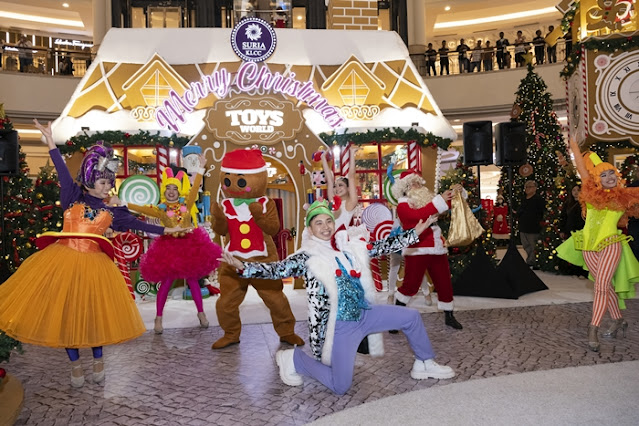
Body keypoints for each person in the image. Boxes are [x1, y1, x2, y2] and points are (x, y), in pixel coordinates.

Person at [0, 119, 185, 388]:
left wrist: (169, 231)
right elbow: (63, 172)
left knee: (92, 316)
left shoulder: (114, 211)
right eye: (101, 180)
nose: (105, 186)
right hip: (60, 263)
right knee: (66, 318)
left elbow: (139, 224)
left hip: (94, 268)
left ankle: (98, 360)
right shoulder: (71, 197)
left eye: (108, 181)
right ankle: (75, 365)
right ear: (88, 179)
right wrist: (51, 142)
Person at [220, 200, 455, 394]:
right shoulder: (306, 257)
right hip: (340, 326)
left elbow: (383, 246)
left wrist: (415, 232)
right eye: (318, 223)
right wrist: (244, 267)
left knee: (411, 317)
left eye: (328, 221)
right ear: (310, 229)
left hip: (366, 314)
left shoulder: (350, 246)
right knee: (340, 386)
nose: (325, 226)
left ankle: (424, 363)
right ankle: (294, 359)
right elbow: (276, 270)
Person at [557, 139, 639, 352]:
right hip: (588, 248)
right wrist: (574, 144)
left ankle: (592, 328)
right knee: (606, 286)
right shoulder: (590, 192)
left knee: (601, 286)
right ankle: (619, 319)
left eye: (612, 173)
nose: (609, 177)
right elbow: (582, 167)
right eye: (603, 174)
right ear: (596, 178)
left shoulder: (624, 197)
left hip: (611, 244)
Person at [126, 160, 222, 334]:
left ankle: (201, 313)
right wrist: (125, 204)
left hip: (189, 246)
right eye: (168, 188)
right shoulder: (161, 209)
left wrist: (201, 168)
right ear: (165, 191)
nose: (171, 192)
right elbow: (142, 209)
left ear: (179, 190)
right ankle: (158, 317)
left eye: (175, 189)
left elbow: (194, 189)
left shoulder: (187, 204)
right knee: (167, 282)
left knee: (193, 280)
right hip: (169, 248)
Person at [391, 170, 464, 329]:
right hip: (417, 248)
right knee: (411, 284)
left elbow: (443, 205)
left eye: (418, 182)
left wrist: (455, 193)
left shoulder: (428, 201)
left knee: (444, 281)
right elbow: (418, 216)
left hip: (436, 247)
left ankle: (449, 315)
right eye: (413, 183)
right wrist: (439, 201)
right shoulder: (403, 204)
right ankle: (396, 318)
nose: (418, 186)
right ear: (406, 187)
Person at [323, 144, 360, 229]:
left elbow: (351, 176)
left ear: (348, 188)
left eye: (340, 185)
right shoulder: (333, 201)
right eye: (335, 186)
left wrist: (352, 153)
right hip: (328, 237)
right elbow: (329, 180)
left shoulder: (350, 203)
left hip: (341, 239)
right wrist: (323, 158)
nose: (337, 188)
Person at [558, 184, 587, 278]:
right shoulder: (567, 203)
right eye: (573, 190)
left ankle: (583, 272)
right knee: (573, 251)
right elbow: (563, 218)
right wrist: (562, 230)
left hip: (582, 231)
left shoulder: (585, 203)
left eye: (578, 190)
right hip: (570, 231)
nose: (575, 192)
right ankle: (574, 271)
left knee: (583, 252)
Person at [516, 180, 545, 268]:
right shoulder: (523, 199)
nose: (527, 189)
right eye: (526, 187)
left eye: (530, 186)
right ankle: (530, 260)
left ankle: (533, 261)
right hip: (523, 226)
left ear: (535, 188)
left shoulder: (538, 199)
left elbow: (541, 212)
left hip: (534, 227)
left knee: (533, 246)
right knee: (526, 245)